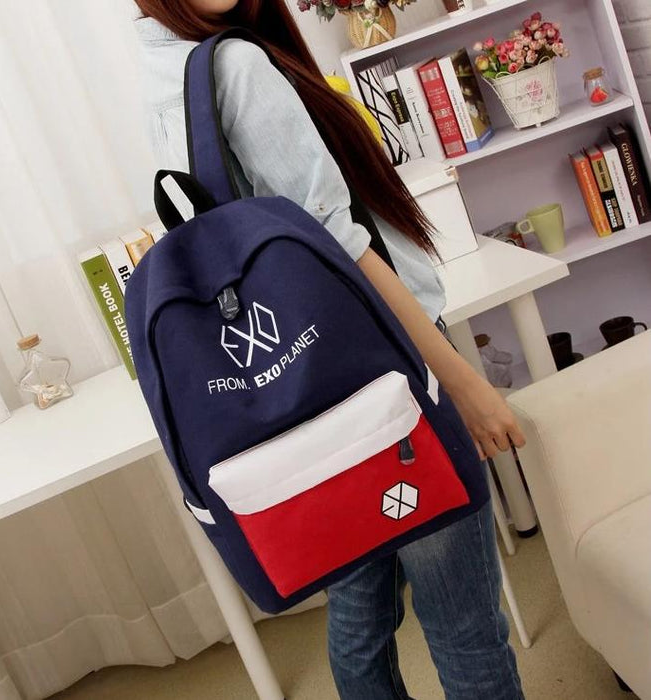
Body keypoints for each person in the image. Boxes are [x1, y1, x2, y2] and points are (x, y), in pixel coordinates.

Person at [134, 1, 527, 697]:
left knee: (359, 617)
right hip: (386, 366)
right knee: (463, 624)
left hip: (305, 388)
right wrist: (462, 384)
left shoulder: (159, 63)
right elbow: (341, 242)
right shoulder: (237, 63)